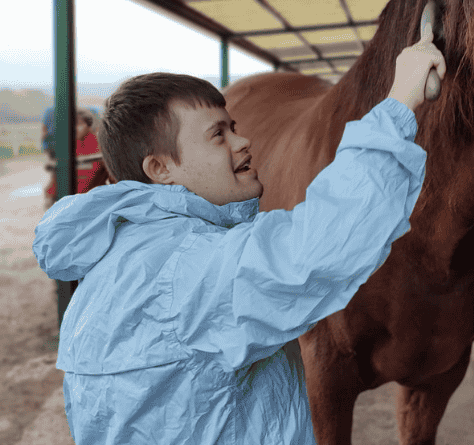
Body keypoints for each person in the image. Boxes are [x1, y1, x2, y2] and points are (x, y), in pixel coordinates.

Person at [33, 34, 446, 444]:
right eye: (218, 135)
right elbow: (321, 243)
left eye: (234, 127)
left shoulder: (123, 256)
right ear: (160, 168)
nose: (243, 141)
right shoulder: (185, 269)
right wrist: (400, 101)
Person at [44, 107, 104, 207]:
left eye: (79, 124)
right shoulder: (69, 146)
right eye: (72, 124)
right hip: (71, 201)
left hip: (90, 202)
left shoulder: (99, 146)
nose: (75, 128)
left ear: (88, 124)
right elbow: (58, 176)